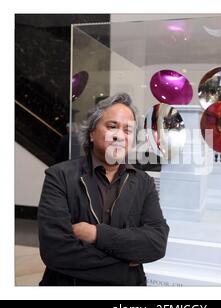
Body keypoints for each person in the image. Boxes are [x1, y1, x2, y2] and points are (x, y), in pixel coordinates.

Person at [38, 93, 169, 286]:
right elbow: (56, 251)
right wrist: (126, 265)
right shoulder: (60, 177)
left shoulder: (144, 183)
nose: (120, 136)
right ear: (91, 133)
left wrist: (96, 234)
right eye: (112, 126)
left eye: (128, 130)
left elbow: (156, 243)